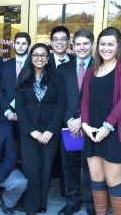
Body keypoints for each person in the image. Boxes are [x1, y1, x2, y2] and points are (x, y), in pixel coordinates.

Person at [81, 27, 121, 215]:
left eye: (110, 44)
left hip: (115, 131)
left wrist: (106, 127)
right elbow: (85, 100)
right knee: (96, 177)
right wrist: (85, 125)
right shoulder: (92, 69)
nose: (106, 48)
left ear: (118, 45)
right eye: (102, 44)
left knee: (113, 181)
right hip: (92, 132)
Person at [16, 43, 65, 215]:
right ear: (31, 57)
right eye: (36, 55)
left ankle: (42, 203)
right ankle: (31, 205)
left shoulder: (56, 77)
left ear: (48, 57)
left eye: (43, 55)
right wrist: (32, 130)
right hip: (29, 131)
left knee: (46, 169)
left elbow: (60, 106)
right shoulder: (23, 76)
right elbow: (20, 107)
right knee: (31, 168)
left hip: (49, 131)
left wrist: (51, 130)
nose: (39, 58)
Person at [57, 29, 95, 215]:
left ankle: (90, 204)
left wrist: (82, 120)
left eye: (85, 44)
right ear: (73, 45)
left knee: (90, 168)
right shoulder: (63, 69)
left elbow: (101, 101)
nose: (81, 47)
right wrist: (70, 120)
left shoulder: (100, 67)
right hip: (69, 127)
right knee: (70, 167)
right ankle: (73, 201)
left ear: (92, 45)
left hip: (90, 127)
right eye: (78, 44)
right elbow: (59, 99)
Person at [49, 26, 75, 197]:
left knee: (70, 159)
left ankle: (69, 194)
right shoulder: (42, 59)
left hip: (70, 121)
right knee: (48, 158)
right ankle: (44, 192)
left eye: (63, 39)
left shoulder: (74, 62)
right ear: (51, 42)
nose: (59, 42)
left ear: (68, 42)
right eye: (56, 39)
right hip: (48, 120)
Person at [0, 32, 31, 123]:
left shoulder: (34, 64)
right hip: (8, 116)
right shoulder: (6, 65)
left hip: (28, 116)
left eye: (23, 43)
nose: (20, 46)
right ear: (14, 45)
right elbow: (0, 91)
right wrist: (8, 112)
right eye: (18, 43)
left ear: (29, 45)